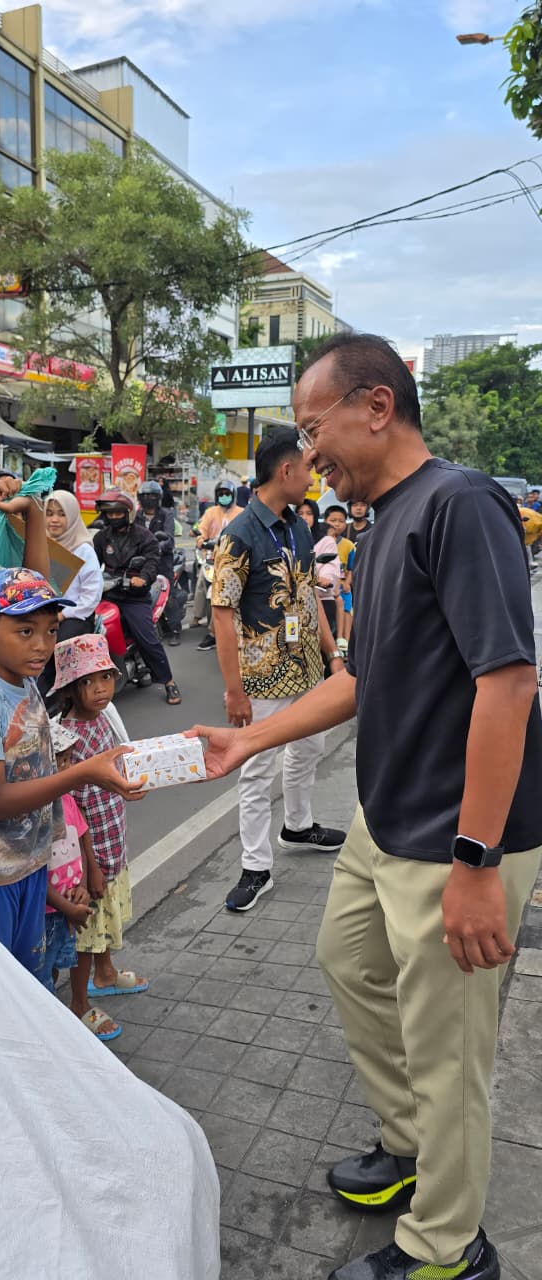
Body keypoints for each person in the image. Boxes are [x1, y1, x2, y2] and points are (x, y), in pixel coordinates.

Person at [193, 332, 542, 1280]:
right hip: (387, 824)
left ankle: (447, 1247)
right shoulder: (385, 521)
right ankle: (413, 1148)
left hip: (452, 840)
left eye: (315, 431)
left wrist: (476, 865)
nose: (309, 458)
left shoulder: (461, 504)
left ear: (377, 407)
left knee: (449, 1053)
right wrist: (250, 738)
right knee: (346, 963)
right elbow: (360, 677)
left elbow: (507, 687)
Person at [0, 553, 145, 977]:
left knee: (31, 977)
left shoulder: (26, 681)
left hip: (31, 865)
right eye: (24, 631)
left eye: (51, 632)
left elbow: (37, 569)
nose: (41, 645)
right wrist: (82, 772)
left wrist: (34, 509)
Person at [211, 427, 346, 913]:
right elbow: (221, 615)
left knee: (309, 749)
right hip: (263, 673)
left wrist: (332, 654)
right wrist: (234, 690)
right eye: (308, 468)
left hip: (307, 667)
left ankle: (298, 825)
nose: (313, 477)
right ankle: (255, 866)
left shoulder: (298, 525)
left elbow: (310, 594)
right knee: (257, 768)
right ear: (285, 470)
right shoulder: (239, 534)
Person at [52, 634, 148, 1041]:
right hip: (89, 856)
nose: (102, 689)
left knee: (104, 922)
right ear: (72, 689)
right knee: (86, 934)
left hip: (114, 842)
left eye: (107, 678)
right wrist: (89, 865)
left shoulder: (106, 719)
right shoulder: (66, 737)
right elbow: (71, 815)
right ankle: (79, 1003)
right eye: (90, 682)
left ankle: (105, 974)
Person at [93, 488, 181, 706]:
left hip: (134, 596)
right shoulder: (101, 538)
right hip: (109, 593)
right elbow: (91, 566)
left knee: (147, 639)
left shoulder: (144, 536)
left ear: (128, 513)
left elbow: (152, 560)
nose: (113, 517)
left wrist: (142, 578)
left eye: (117, 513)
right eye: (109, 513)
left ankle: (168, 681)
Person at [40, 718, 95, 999]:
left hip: (69, 906)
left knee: (58, 963)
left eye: (68, 762)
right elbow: (35, 873)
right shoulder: (36, 814)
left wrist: (83, 886)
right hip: (49, 912)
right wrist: (66, 907)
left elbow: (82, 846)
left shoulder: (69, 802)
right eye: (58, 763)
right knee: (43, 970)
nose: (66, 771)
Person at [38, 489, 104, 698]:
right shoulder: (40, 544)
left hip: (75, 613)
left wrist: (62, 615)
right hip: (46, 609)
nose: (54, 520)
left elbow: (91, 594)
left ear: (73, 516)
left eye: (61, 513)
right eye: (49, 513)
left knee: (55, 651)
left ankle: (58, 703)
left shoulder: (82, 549)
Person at [192, 479, 243, 652]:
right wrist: (200, 540)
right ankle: (197, 616)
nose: (224, 497)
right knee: (201, 584)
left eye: (227, 494)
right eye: (221, 494)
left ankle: (215, 633)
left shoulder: (241, 513)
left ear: (233, 495)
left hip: (233, 561)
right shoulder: (210, 512)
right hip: (211, 558)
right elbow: (202, 529)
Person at [135, 480, 186, 645]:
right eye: (144, 496)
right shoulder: (136, 516)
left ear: (158, 497)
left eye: (151, 496)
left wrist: (155, 548)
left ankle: (175, 630)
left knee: (168, 596)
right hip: (142, 562)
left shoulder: (166, 514)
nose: (148, 499)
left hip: (162, 561)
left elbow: (169, 540)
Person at [297, 497, 340, 638]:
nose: (304, 517)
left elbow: (330, 567)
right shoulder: (289, 541)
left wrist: (324, 579)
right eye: (300, 513)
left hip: (321, 601)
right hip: (295, 604)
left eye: (309, 513)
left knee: (324, 653)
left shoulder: (326, 541)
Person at [325, 503, 356, 652]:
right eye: (333, 520)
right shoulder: (321, 543)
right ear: (325, 521)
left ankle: (346, 641)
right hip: (325, 587)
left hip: (342, 586)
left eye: (341, 521)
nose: (337, 524)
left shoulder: (348, 545)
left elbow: (351, 567)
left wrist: (348, 583)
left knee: (346, 607)